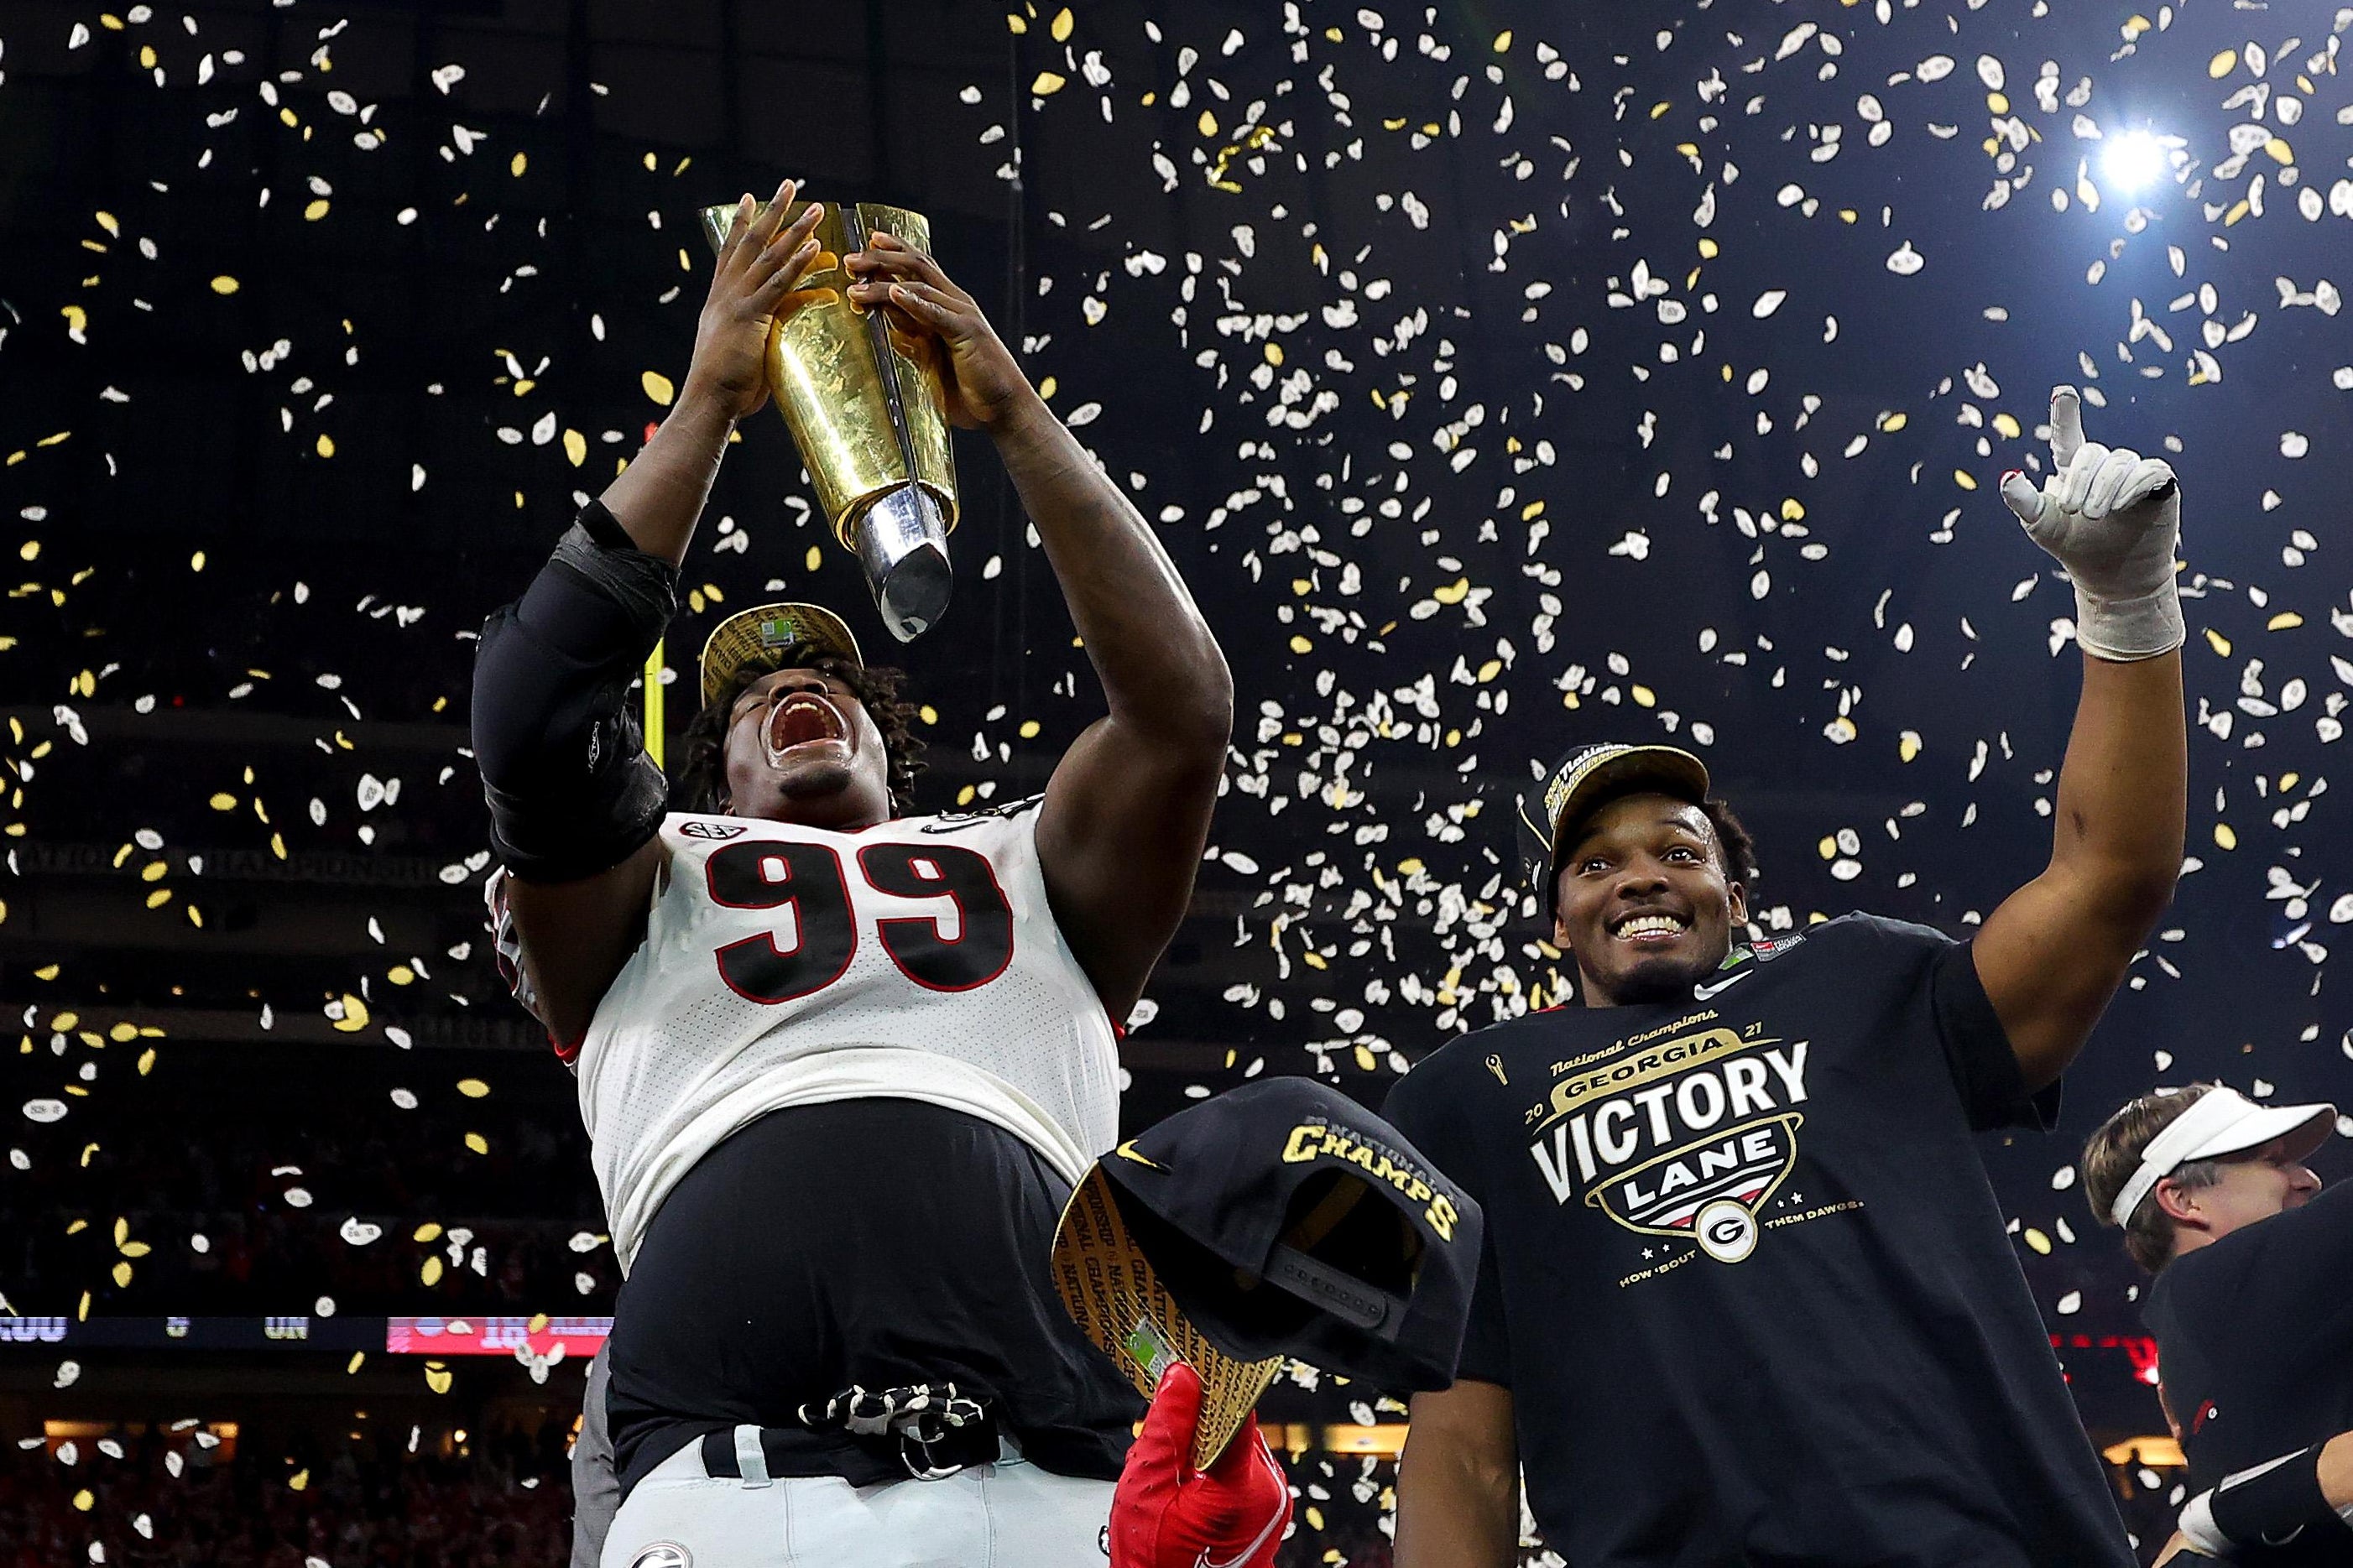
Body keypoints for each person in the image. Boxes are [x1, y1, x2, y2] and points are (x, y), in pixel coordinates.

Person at [472, 180, 1234, 1567]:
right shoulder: (656, 875)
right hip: (726, 1435)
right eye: (756, 694)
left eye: (830, 676)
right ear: (708, 783)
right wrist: (706, 397)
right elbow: (527, 708)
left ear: (889, 737)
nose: (796, 687)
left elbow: (1180, 712)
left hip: (1058, 1426)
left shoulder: (1022, 852)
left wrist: (1014, 417)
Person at [1376, 388, 2188, 1565]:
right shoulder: (1467, 1097)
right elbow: (1458, 1447)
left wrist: (2126, 609)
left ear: (1734, 895)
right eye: (1595, 864)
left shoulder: (1861, 983)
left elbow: (2111, 880)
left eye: (1677, 851)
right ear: (1555, 922)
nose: (1638, 879)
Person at [2080, 1083, 2352, 1565]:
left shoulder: (2185, 1338)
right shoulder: (2213, 1285)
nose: (2307, 1179)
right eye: (2273, 1162)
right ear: (2183, 1200)